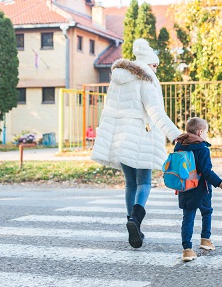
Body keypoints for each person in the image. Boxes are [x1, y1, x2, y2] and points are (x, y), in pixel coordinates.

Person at [91, 38, 181, 249]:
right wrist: (175, 134)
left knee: (130, 183)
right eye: (155, 65)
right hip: (141, 136)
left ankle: (133, 223)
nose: (155, 69)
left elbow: (108, 110)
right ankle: (135, 220)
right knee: (144, 182)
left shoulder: (118, 78)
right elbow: (155, 111)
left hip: (120, 137)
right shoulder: (146, 79)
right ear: (148, 64)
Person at [174, 117, 222, 262]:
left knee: (188, 217)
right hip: (201, 189)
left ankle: (187, 249)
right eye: (207, 132)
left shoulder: (179, 145)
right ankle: (205, 240)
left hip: (185, 187)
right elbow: (206, 171)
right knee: (206, 212)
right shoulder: (202, 148)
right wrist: (220, 183)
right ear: (200, 132)